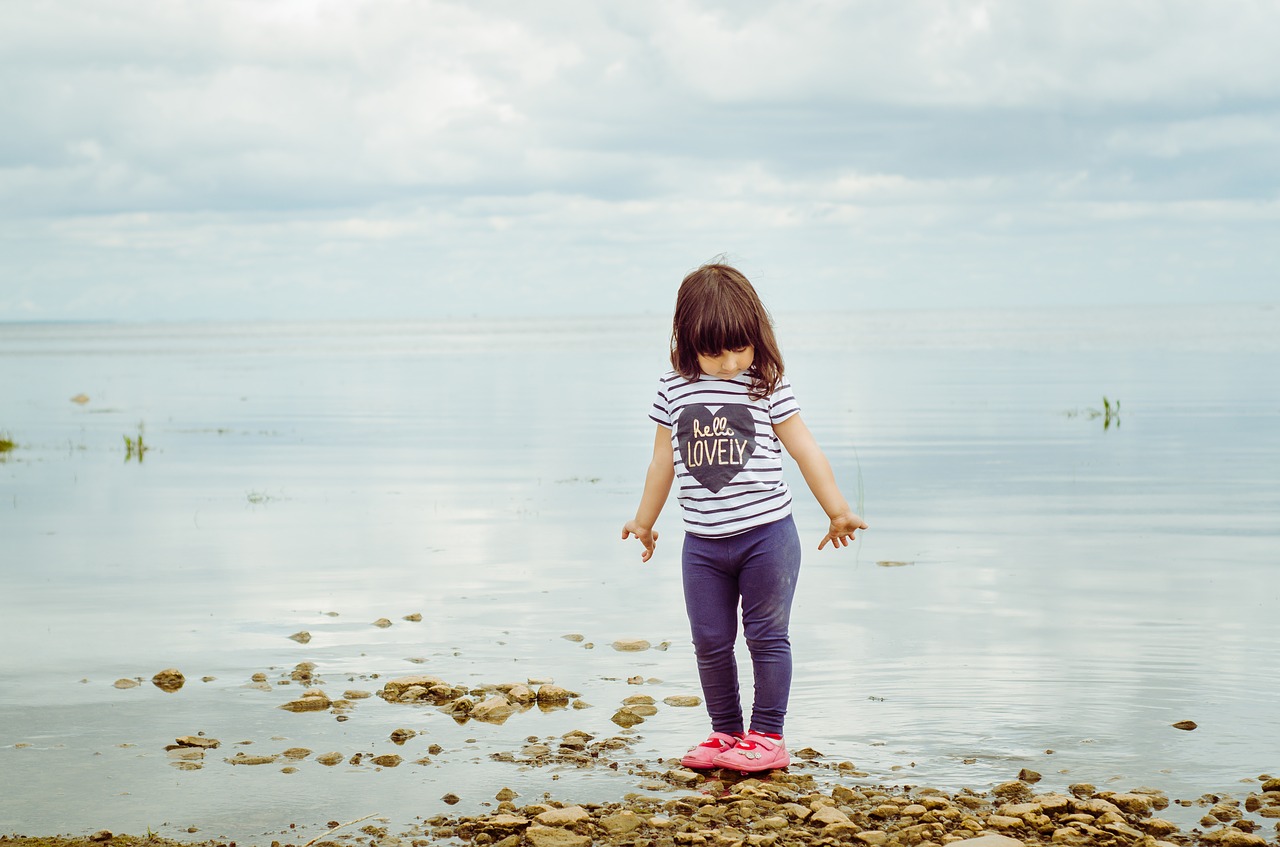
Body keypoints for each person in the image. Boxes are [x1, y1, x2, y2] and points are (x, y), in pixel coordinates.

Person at [621, 263, 868, 773]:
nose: (730, 362)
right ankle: (725, 732)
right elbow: (662, 461)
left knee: (766, 637)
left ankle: (768, 736)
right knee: (710, 641)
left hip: (767, 538)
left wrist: (837, 510)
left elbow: (805, 450)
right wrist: (645, 521)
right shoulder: (674, 389)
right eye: (714, 352)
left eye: (740, 348)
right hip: (703, 545)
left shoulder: (766, 385)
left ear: (757, 337)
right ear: (688, 341)